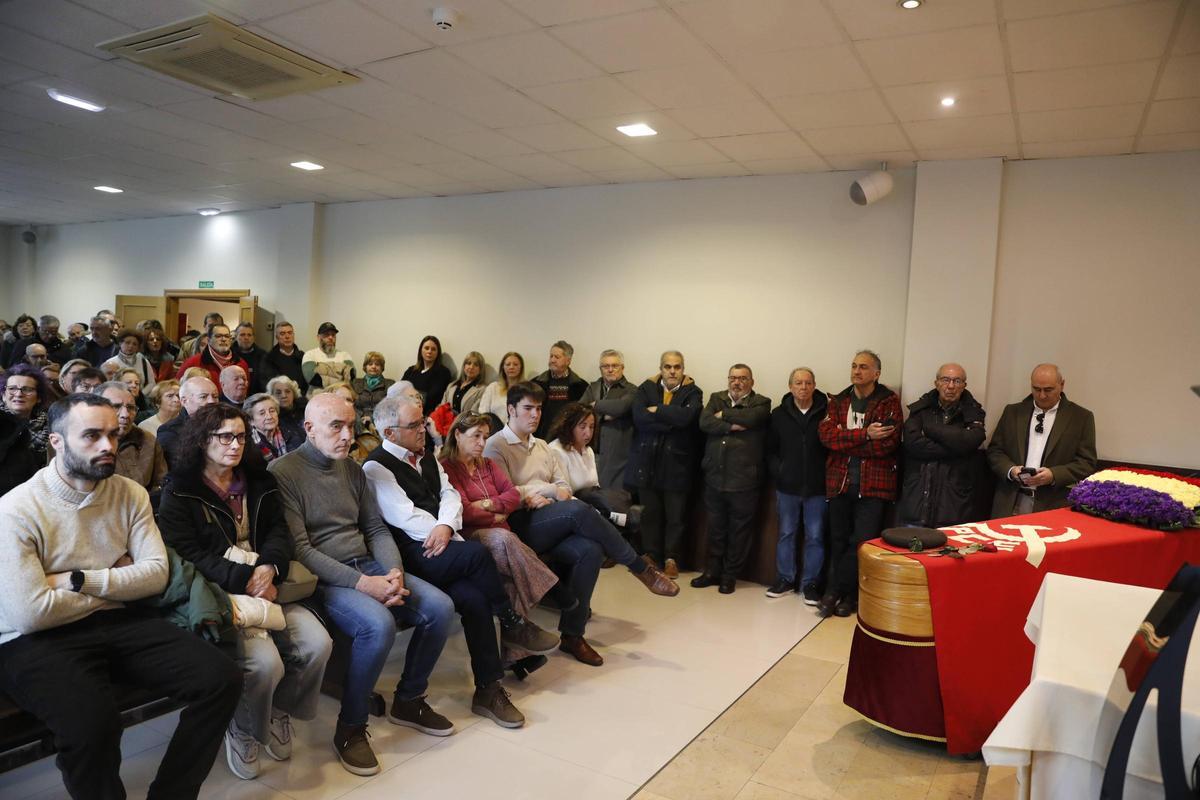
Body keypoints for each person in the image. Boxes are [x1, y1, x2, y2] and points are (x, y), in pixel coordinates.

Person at [0, 394, 242, 800]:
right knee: (93, 725)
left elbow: (154, 576)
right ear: (57, 442)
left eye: (113, 434)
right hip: (32, 641)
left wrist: (76, 581)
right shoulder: (16, 510)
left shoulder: (129, 493)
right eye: (92, 436)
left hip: (117, 620)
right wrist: (118, 577)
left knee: (221, 678)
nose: (108, 446)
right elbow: (29, 614)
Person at [268, 393, 457, 776]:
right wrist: (363, 584)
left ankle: (409, 699)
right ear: (309, 428)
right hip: (325, 578)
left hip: (368, 566)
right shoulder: (284, 472)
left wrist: (394, 573)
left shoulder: (352, 469)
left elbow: (374, 528)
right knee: (378, 625)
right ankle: (351, 727)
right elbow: (302, 550)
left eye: (352, 425)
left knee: (440, 608)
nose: (347, 435)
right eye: (336, 426)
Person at [158, 404, 333, 781]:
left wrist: (270, 567)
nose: (235, 444)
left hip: (269, 583)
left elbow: (278, 532)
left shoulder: (259, 481)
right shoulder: (181, 488)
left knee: (318, 644)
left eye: (241, 435)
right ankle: (241, 725)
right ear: (203, 440)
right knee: (264, 664)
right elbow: (185, 554)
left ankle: (274, 710)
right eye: (224, 437)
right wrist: (246, 578)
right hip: (224, 593)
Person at [365, 396, 560, 727]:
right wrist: (440, 529)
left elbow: (449, 494)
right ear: (389, 432)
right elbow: (403, 516)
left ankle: (488, 688)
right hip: (412, 552)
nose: (423, 430)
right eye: (414, 425)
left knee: (475, 600)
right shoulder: (376, 466)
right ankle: (512, 622)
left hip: (441, 540)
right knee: (477, 553)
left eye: (422, 422)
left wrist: (446, 525)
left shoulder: (427, 457)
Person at [484, 382, 679, 666]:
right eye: (527, 408)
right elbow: (506, 494)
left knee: (590, 549)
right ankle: (640, 567)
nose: (535, 415)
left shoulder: (540, 446)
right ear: (511, 409)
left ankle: (572, 635)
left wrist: (549, 492)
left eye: (538, 409)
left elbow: (562, 483)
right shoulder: (496, 445)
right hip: (517, 524)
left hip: (550, 514)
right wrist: (544, 491)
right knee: (579, 511)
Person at [440, 412, 559, 626]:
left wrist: (486, 504)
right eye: (476, 436)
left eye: (485, 437)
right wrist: (497, 511)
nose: (482, 443)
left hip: (502, 532)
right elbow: (464, 512)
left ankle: (515, 655)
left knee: (510, 575)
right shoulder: (446, 468)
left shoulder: (487, 464)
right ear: (457, 434)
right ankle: (554, 590)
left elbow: (513, 495)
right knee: (504, 540)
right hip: (471, 537)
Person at [816, 350, 902, 619]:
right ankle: (842, 594)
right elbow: (827, 438)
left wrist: (848, 441)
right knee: (838, 540)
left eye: (863, 367)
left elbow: (886, 445)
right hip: (840, 482)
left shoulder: (889, 402)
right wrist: (865, 435)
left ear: (876, 373)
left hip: (874, 486)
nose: (856, 371)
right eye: (854, 366)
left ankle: (840, 592)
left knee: (861, 542)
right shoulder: (839, 400)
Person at [694, 364, 771, 594]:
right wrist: (735, 425)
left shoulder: (761, 402)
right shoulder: (716, 398)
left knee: (739, 531)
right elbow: (705, 423)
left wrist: (724, 416)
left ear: (751, 382)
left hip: (744, 480)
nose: (737, 383)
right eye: (733, 378)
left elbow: (754, 418)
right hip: (715, 477)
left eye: (742, 379)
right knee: (716, 528)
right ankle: (712, 571)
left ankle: (729, 575)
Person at [627, 350, 703, 578]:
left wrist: (658, 410)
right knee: (650, 514)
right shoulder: (645, 389)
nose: (672, 371)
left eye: (677, 367)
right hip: (647, 463)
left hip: (676, 466)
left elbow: (686, 418)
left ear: (683, 369)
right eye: (668, 367)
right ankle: (651, 555)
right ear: (660, 369)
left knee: (675, 517)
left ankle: (672, 559)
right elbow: (639, 418)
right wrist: (671, 420)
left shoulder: (693, 392)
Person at [986, 363, 1097, 516]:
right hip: (1011, 500)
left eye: (1048, 390)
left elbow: (1086, 462)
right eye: (1036, 389)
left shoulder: (1081, 417)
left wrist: (1054, 475)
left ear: (1062, 385)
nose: (1042, 395)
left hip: (1053, 503)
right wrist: (1011, 471)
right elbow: (995, 451)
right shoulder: (1013, 412)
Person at [897, 363, 987, 528]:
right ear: (936, 383)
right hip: (917, 498)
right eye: (946, 380)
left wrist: (930, 430)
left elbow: (972, 441)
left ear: (964, 386)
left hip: (954, 503)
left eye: (957, 381)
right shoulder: (920, 409)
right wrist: (956, 446)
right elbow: (913, 444)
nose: (951, 386)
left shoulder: (973, 412)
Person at [766, 368, 828, 603]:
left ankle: (810, 584)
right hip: (787, 487)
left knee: (815, 536)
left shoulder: (827, 413)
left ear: (814, 385)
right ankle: (785, 578)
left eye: (808, 383)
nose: (803, 387)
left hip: (818, 488)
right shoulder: (778, 414)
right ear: (790, 386)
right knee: (786, 534)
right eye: (798, 383)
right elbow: (770, 450)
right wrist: (779, 471)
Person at [547, 402, 636, 529]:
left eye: (592, 427)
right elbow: (562, 495)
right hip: (570, 511)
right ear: (569, 426)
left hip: (592, 509)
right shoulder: (556, 450)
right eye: (582, 427)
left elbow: (596, 487)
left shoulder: (587, 450)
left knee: (627, 522)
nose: (588, 433)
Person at [94, 381, 167, 495]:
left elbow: (161, 484)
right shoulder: (84, 443)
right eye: (116, 406)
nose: (125, 414)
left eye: (130, 407)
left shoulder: (148, 440)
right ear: (95, 408)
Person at [579, 349, 635, 490]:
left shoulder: (632, 390)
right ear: (600, 369)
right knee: (590, 496)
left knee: (613, 499)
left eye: (615, 366)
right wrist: (606, 414)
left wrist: (595, 406)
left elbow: (621, 407)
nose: (610, 370)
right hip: (591, 451)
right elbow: (580, 410)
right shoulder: (592, 388)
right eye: (606, 366)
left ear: (622, 368)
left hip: (618, 457)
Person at [157, 375, 221, 469]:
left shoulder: (226, 424)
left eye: (215, 396)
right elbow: (182, 467)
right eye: (203, 397)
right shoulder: (169, 431)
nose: (212, 401)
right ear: (184, 401)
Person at [532, 340, 587, 439]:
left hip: (569, 438)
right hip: (541, 438)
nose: (552, 360)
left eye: (557, 357)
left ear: (568, 361)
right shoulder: (536, 383)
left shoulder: (581, 386)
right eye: (551, 356)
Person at [2, 363, 52, 460]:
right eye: (12, 388)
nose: (19, 394)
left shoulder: (52, 426)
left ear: (39, 397)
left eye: (27, 389)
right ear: (4, 396)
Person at [175, 323, 251, 387]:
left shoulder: (241, 363)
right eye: (218, 336)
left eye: (227, 336)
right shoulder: (194, 362)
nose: (223, 339)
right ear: (209, 340)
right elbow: (179, 387)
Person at [244, 392, 303, 462]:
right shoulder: (247, 445)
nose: (269, 416)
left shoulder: (294, 432)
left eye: (272, 411)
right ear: (251, 421)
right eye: (262, 413)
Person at [401, 335, 452, 416]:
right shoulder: (411, 371)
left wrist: (410, 396)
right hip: (405, 413)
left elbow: (432, 397)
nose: (429, 351)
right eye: (426, 348)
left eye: (433, 349)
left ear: (438, 353)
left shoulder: (443, 373)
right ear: (421, 350)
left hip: (428, 416)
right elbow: (400, 391)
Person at [301, 322, 354, 396]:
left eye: (333, 335)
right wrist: (339, 374)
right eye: (326, 335)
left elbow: (351, 377)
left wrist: (322, 370)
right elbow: (312, 378)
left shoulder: (345, 355)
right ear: (318, 337)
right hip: (317, 400)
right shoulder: (310, 355)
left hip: (340, 399)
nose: (330, 337)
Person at [257, 321, 308, 397]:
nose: (287, 336)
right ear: (277, 337)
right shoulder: (269, 358)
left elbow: (307, 383)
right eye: (282, 334)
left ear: (293, 335)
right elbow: (267, 384)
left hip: (299, 400)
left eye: (290, 333)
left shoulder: (302, 357)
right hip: (278, 400)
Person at [477, 351, 525, 425]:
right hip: (492, 431)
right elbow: (482, 412)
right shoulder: (492, 387)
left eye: (515, 364)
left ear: (521, 367)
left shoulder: (526, 390)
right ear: (503, 367)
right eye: (508, 364)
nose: (511, 367)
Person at [9, 314, 74, 368]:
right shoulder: (23, 344)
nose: (50, 335)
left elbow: (70, 368)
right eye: (46, 332)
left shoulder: (63, 348)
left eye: (54, 332)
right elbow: (13, 367)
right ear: (38, 329)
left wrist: (59, 367)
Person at [351, 351, 394, 430]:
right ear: (365, 367)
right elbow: (351, 404)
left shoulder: (390, 384)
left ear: (382, 367)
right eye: (370, 364)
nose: (373, 367)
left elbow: (391, 407)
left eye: (377, 364)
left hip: (382, 423)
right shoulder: (355, 383)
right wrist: (360, 419)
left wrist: (372, 418)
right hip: (358, 423)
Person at [439, 350, 485, 415]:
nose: (471, 367)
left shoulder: (481, 390)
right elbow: (442, 407)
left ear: (480, 370)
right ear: (464, 366)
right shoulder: (452, 385)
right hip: (444, 421)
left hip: (463, 424)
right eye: (468, 363)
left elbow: (474, 414)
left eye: (476, 365)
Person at [267, 374, 306, 445]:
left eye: (287, 391)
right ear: (272, 396)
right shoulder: (271, 418)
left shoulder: (306, 410)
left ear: (294, 393)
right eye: (278, 393)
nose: (284, 396)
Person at [233, 322, 268, 391]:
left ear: (253, 338)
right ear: (236, 337)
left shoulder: (263, 356)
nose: (246, 338)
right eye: (242, 335)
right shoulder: (229, 355)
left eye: (249, 335)